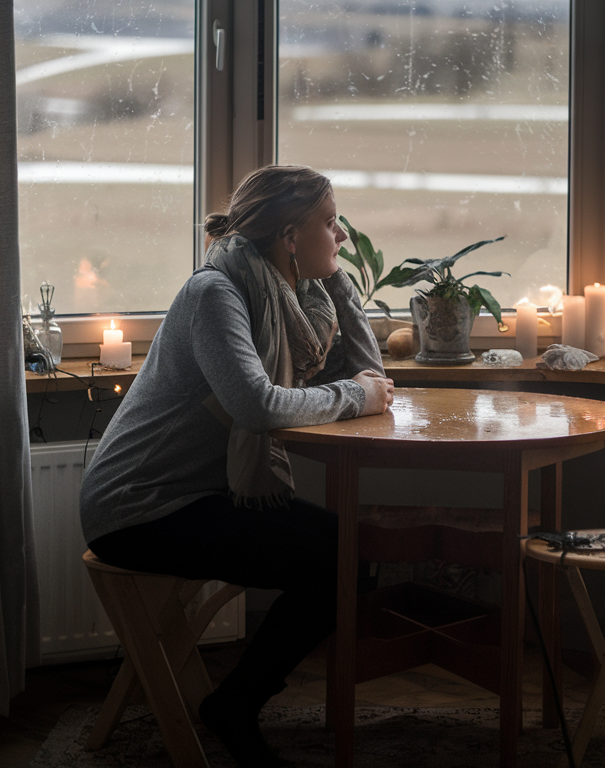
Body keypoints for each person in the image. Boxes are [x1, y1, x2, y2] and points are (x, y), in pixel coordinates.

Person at [79, 164, 394, 767]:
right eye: (330, 224)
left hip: (196, 496)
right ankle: (236, 707)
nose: (344, 237)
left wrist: (342, 290)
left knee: (352, 552)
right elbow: (258, 406)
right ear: (288, 237)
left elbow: (369, 376)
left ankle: (236, 702)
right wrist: (354, 396)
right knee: (338, 562)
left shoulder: (292, 299)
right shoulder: (215, 294)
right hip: (139, 508)